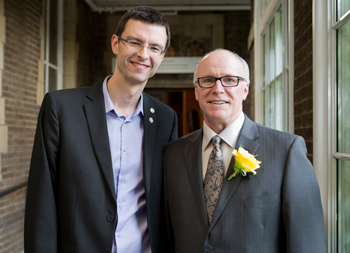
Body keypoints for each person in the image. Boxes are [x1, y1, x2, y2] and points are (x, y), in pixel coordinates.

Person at [25, 6, 177, 253]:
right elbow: (41, 201)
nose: (143, 54)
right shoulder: (61, 108)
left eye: (154, 48)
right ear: (115, 43)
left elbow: (166, 201)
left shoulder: (165, 118)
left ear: (161, 56)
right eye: (135, 42)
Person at [164, 49, 326, 252]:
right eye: (207, 80)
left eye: (230, 80)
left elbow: (307, 243)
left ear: (245, 89)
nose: (218, 89)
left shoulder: (286, 151)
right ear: (196, 91)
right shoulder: (172, 155)